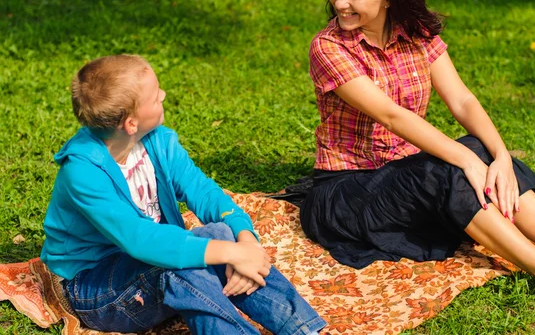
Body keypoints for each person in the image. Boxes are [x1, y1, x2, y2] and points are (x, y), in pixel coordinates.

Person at [300, 0, 535, 311]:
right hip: (346, 190)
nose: (339, 2)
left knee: (476, 150)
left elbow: (462, 99)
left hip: (401, 173)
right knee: (455, 164)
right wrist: (468, 160)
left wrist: (500, 156)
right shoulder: (329, 47)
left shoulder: (418, 35)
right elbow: (392, 115)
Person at [41, 55, 326, 335]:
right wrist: (232, 252)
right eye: (155, 97)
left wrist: (245, 239)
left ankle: (303, 329)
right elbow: (140, 240)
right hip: (97, 289)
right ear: (130, 123)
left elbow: (203, 191)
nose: (163, 94)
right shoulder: (83, 172)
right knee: (180, 262)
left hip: (151, 263)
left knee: (215, 235)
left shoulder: (158, 141)